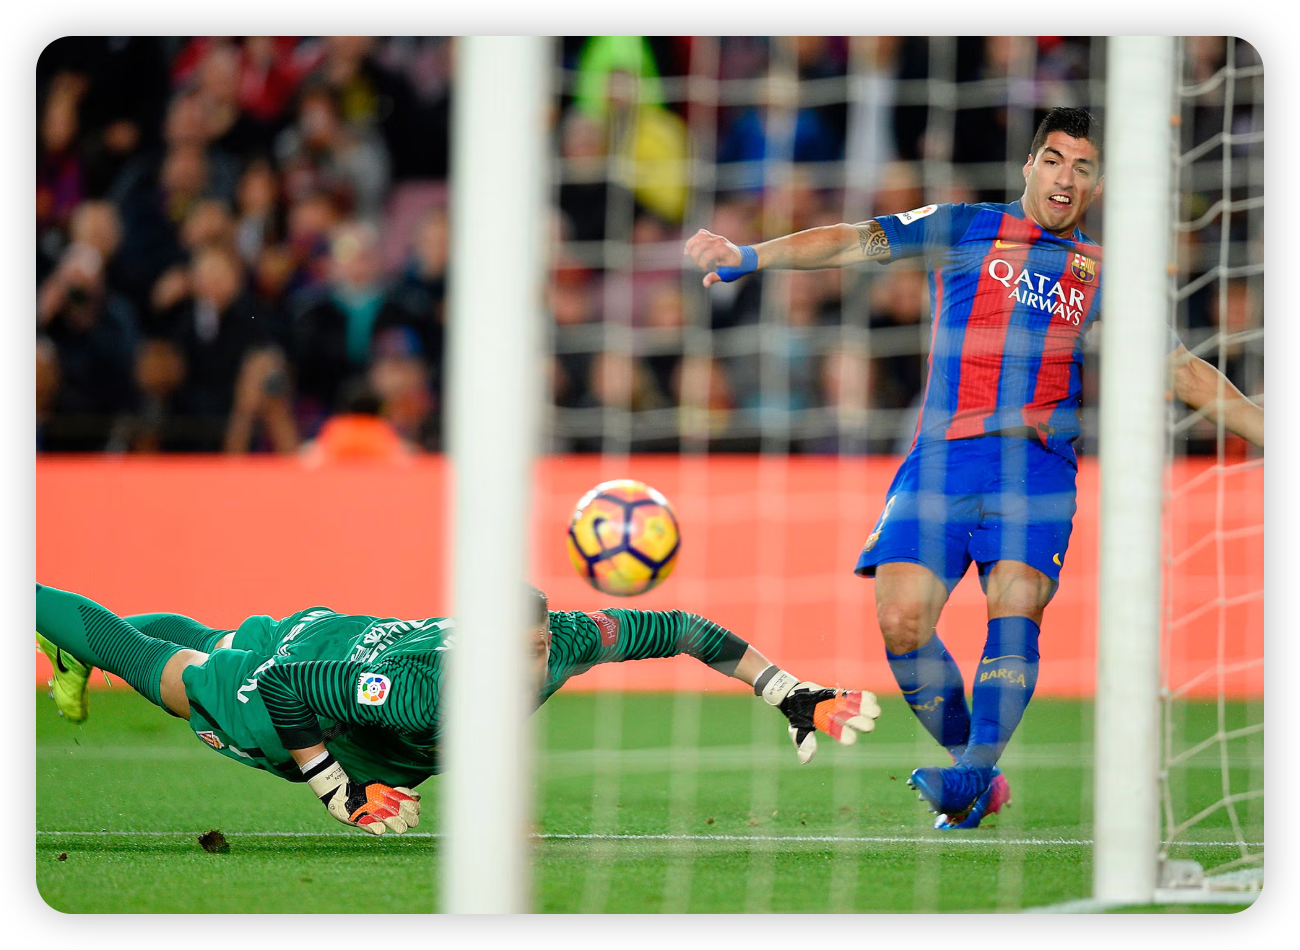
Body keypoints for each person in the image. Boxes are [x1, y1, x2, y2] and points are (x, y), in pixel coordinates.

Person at [684, 107, 1265, 830]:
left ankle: (970, 774)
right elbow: (854, 241)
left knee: (1016, 599)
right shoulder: (963, 225)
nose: (1066, 177)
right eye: (1054, 160)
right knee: (900, 620)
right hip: (943, 459)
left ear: (1099, 183)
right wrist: (751, 256)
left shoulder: (1105, 275)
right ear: (1029, 166)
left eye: (1082, 167)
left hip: (1036, 466)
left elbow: (1184, 373)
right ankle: (975, 775)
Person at [35, 583, 880, 836]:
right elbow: (293, 692)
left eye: (538, 652)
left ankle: (81, 642)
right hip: (302, 688)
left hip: (338, 632)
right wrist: (337, 789)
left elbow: (686, 629)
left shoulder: (568, 639)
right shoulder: (432, 688)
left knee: (215, 633)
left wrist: (787, 691)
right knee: (169, 673)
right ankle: (68, 626)